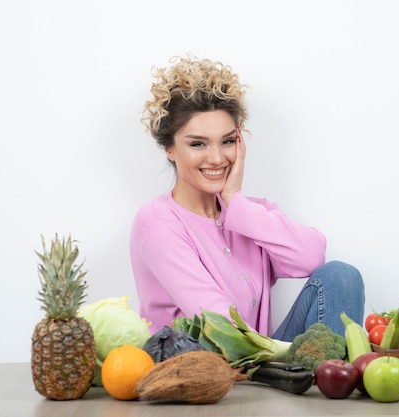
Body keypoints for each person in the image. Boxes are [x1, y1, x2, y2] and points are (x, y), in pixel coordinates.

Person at [130, 55, 365, 341]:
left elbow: (312, 257)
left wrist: (235, 203)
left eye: (227, 141)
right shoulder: (158, 223)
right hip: (207, 373)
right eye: (197, 144)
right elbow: (221, 324)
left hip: (261, 363)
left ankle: (333, 379)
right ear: (169, 148)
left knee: (341, 276)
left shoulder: (251, 214)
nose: (217, 158)